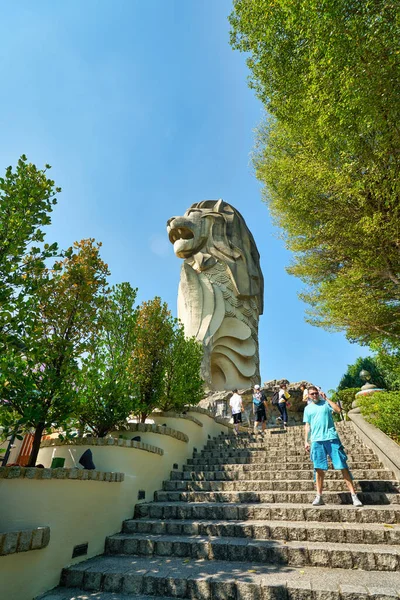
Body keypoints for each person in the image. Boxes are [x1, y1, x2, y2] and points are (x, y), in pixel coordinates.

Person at [304, 385, 363, 507]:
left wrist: (327, 399)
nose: (315, 395)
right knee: (318, 469)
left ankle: (354, 496)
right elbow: (307, 425)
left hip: (331, 438)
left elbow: (338, 410)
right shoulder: (308, 409)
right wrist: (306, 441)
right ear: (308, 395)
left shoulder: (325, 403)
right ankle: (319, 496)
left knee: (342, 465)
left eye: (316, 393)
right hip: (316, 440)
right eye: (312, 394)